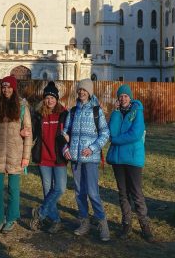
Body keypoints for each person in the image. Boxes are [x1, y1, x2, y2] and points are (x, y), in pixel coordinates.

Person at [63, 78, 111, 242]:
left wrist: (92, 148)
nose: (82, 92)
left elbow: (105, 133)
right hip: (75, 159)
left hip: (90, 159)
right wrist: (65, 148)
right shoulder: (73, 111)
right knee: (79, 192)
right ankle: (84, 222)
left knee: (92, 192)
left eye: (85, 90)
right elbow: (65, 132)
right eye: (80, 90)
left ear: (89, 92)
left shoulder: (96, 111)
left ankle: (102, 223)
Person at [0, 75, 32, 233]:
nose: (6, 90)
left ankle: (11, 218)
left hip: (15, 153)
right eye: (4, 87)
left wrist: (26, 157)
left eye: (9, 87)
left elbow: (28, 133)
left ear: (14, 88)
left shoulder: (22, 107)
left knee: (13, 189)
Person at [107, 84, 154, 242]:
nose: (123, 99)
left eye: (125, 96)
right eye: (120, 96)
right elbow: (112, 131)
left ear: (130, 97)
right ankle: (126, 224)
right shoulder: (117, 112)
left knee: (136, 193)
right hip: (118, 159)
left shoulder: (137, 111)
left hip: (133, 158)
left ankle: (144, 225)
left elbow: (135, 134)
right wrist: (115, 112)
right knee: (123, 193)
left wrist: (115, 140)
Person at [29, 81, 69, 233]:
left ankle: (40, 212)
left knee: (60, 188)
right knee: (48, 191)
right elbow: (32, 133)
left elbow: (69, 131)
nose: (50, 100)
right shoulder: (39, 114)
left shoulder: (64, 114)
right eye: (47, 98)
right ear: (44, 99)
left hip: (59, 158)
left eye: (52, 97)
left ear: (57, 99)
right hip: (44, 158)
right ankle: (56, 221)